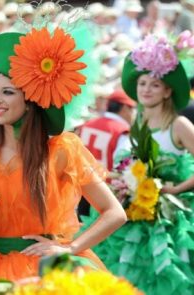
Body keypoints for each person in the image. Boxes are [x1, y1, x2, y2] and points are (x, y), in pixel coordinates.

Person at [0, 27, 127, 294]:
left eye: (8, 92)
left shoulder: (61, 151)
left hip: (39, 272)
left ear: (30, 100)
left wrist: (70, 247)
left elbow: (115, 212)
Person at [83, 34, 194, 294]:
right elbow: (129, 168)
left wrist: (176, 189)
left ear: (168, 91)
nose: (145, 89)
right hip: (133, 217)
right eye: (142, 83)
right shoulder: (135, 126)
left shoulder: (178, 124)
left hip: (169, 223)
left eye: (154, 85)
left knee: (166, 278)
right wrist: (117, 182)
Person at [79, 89, 136, 171]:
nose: (133, 114)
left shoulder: (87, 124)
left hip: (82, 180)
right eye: (132, 109)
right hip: (106, 182)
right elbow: (125, 167)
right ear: (125, 108)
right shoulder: (122, 132)